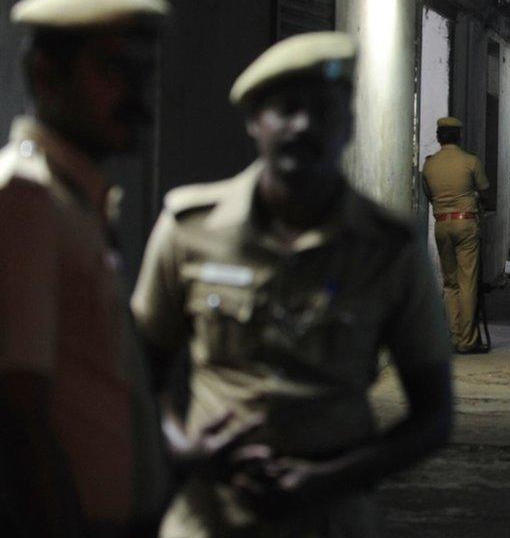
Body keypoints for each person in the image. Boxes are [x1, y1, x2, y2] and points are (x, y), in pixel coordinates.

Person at [131, 32, 454, 536]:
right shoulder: (189, 228)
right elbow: (137, 375)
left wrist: (329, 477)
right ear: (253, 122)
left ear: (348, 125)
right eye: (286, 109)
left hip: (333, 517)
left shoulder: (389, 248)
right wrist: (183, 448)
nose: (303, 126)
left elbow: (434, 415)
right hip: (209, 516)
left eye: (324, 111)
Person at [0, 0, 170, 537]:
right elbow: (18, 414)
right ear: (46, 74)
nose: (138, 97)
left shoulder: (74, 199)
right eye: (114, 71)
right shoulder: (24, 197)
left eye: (143, 75)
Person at [422, 117, 490, 354]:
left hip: (441, 225)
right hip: (466, 224)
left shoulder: (429, 165)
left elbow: (428, 195)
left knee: (450, 283)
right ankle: (467, 340)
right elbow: (485, 192)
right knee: (467, 282)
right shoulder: (470, 161)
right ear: (459, 137)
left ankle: (453, 335)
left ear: (439, 137)